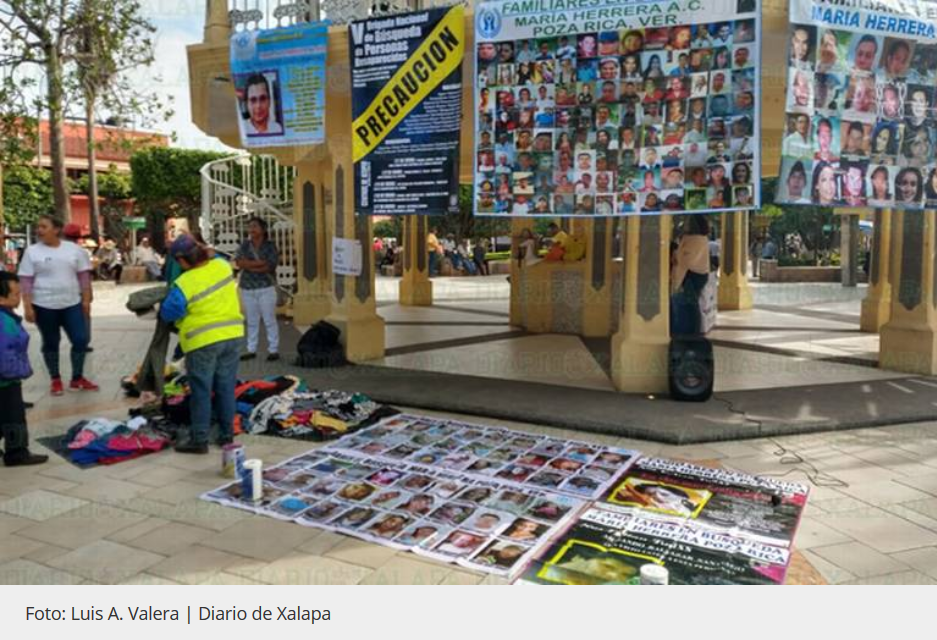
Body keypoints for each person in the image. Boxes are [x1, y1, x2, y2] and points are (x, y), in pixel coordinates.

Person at [160, 235, 244, 454]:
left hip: (203, 341)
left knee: (201, 390)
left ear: (181, 260)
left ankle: (199, 439)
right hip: (232, 336)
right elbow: (213, 254)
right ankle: (227, 436)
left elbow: (169, 312)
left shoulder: (185, 283)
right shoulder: (222, 266)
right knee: (226, 387)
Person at [18, 215, 98, 395]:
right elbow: (26, 281)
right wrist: (28, 306)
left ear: (56, 229)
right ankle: (55, 379)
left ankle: (77, 378)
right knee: (51, 342)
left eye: (43, 227)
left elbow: (84, 277)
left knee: (80, 339)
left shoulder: (75, 250)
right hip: (43, 304)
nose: (39, 230)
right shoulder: (32, 252)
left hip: (72, 303)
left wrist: (86, 300)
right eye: (38, 227)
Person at [0, 272, 48, 466]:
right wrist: (14, 373)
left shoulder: (7, 317)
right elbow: (4, 352)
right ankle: (17, 452)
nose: (19, 297)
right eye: (15, 293)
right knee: (13, 415)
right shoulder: (3, 321)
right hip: (5, 378)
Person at [235, 217, 280, 362]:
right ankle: (251, 349)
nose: (252, 229)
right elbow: (240, 263)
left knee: (269, 319)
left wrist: (250, 265)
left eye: (255, 226)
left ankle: (273, 349)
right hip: (247, 287)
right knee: (251, 320)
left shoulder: (270, 246)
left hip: (266, 286)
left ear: (263, 229)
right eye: (250, 226)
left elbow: (270, 266)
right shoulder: (245, 245)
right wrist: (259, 263)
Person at [670, 214, 711, 335]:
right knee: (693, 305)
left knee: (686, 306)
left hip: (690, 275)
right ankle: (694, 331)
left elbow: (684, 259)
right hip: (701, 274)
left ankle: (686, 332)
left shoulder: (691, 239)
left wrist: (675, 253)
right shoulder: (704, 238)